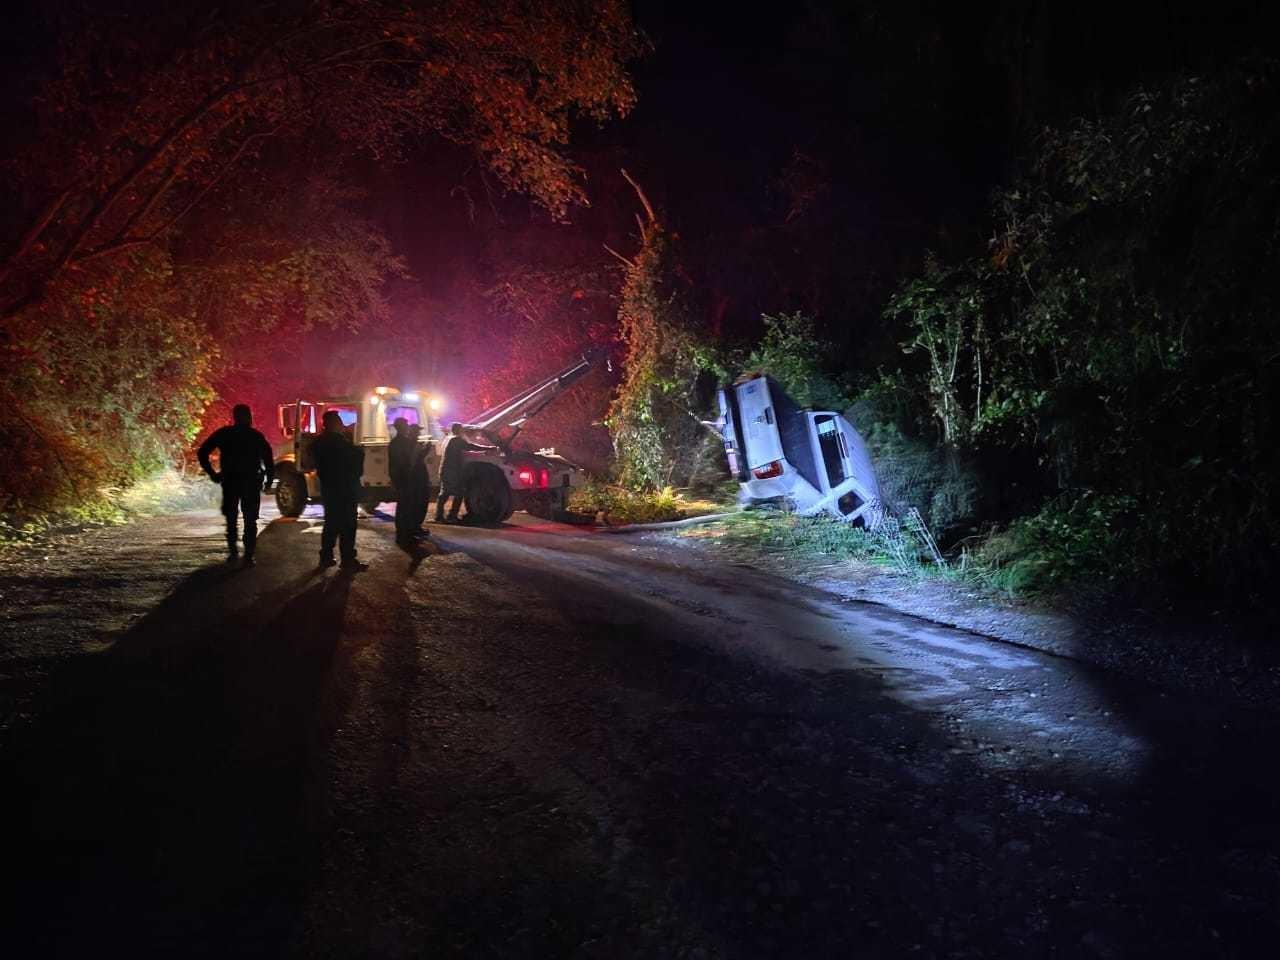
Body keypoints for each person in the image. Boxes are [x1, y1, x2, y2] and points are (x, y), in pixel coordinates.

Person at [198, 404, 274, 566]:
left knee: (232, 518)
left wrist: (213, 473)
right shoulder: (255, 436)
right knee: (250, 519)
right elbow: (268, 459)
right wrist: (269, 480)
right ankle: (248, 556)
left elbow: (202, 452)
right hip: (251, 482)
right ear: (248, 417)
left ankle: (233, 553)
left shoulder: (225, 434)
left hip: (231, 481)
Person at [312, 410, 366, 569]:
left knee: (331, 524)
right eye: (339, 422)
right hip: (346, 490)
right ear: (335, 424)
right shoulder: (342, 444)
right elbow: (357, 469)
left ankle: (326, 557)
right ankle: (348, 560)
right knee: (348, 526)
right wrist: (359, 451)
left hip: (329, 489)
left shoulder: (319, 443)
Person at [435, 422, 490, 523]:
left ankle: (440, 516)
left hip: (446, 470)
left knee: (445, 493)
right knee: (457, 493)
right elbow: (471, 446)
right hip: (451, 471)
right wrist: (488, 449)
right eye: (461, 429)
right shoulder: (456, 440)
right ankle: (451, 516)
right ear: (459, 430)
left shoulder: (449, 439)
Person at [388, 416, 417, 547]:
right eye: (405, 425)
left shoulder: (395, 442)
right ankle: (405, 536)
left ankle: (404, 535)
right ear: (401, 427)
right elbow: (404, 462)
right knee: (406, 508)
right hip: (405, 478)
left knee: (405, 507)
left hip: (402, 478)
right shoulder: (402, 442)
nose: (407, 427)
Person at [406, 423, 433, 534]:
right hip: (418, 477)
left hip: (415, 477)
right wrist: (427, 448)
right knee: (420, 503)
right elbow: (416, 459)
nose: (419, 433)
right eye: (417, 431)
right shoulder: (413, 444)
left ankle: (413, 527)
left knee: (415, 503)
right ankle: (416, 527)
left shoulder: (407, 443)